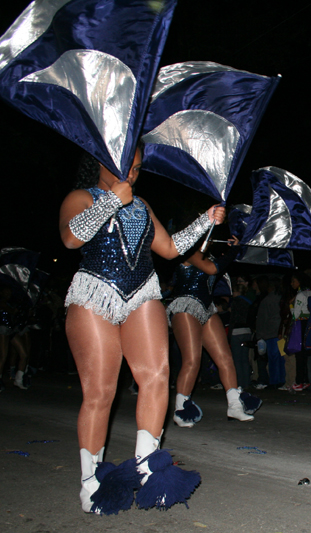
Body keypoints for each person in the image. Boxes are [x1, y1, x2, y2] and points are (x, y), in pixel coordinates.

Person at [60, 149, 222, 513]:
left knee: (156, 376)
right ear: (99, 162)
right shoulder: (80, 197)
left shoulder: (142, 204)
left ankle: (149, 469)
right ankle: (91, 483)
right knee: (101, 391)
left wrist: (204, 221)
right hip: (95, 292)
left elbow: (168, 249)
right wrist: (111, 202)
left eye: (135, 168)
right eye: (123, 167)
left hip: (142, 291)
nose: (131, 175)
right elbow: (71, 238)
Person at [166, 237, 257, 428]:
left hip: (207, 308)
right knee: (192, 360)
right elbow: (212, 269)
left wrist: (233, 250)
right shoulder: (188, 252)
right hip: (185, 305)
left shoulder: (212, 257)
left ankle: (234, 405)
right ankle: (181, 410)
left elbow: (217, 268)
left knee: (225, 358)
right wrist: (233, 252)